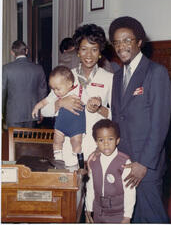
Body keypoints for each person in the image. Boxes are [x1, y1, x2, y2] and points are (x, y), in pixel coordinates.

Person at [108, 16, 171, 223]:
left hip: (146, 164)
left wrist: (143, 163)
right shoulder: (117, 76)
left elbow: (160, 125)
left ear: (139, 42)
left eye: (127, 40)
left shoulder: (156, 72)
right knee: (130, 215)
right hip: (123, 160)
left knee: (152, 216)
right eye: (116, 42)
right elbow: (117, 118)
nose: (121, 46)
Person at [41, 24, 113, 167]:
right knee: (73, 189)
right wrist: (60, 103)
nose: (89, 55)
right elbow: (44, 110)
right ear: (78, 51)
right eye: (84, 49)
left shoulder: (109, 78)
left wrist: (99, 108)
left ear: (100, 52)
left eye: (94, 50)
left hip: (97, 148)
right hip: (69, 149)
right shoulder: (66, 76)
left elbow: (114, 115)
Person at [32, 66, 86, 168]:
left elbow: (89, 101)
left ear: (69, 84)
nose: (56, 91)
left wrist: (93, 103)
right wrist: (36, 107)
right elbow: (45, 101)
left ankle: (76, 161)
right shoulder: (56, 93)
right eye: (53, 89)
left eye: (58, 89)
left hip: (76, 124)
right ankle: (58, 159)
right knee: (57, 140)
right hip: (61, 123)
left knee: (76, 142)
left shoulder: (80, 90)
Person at [85, 119, 136, 223]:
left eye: (110, 139)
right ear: (96, 142)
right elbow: (90, 188)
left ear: (117, 140)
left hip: (118, 214)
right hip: (98, 212)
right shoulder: (93, 161)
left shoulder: (125, 162)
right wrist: (88, 211)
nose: (106, 144)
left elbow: (130, 192)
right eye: (101, 140)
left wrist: (127, 216)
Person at [2, 40, 47, 128]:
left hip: (13, 115)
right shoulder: (38, 68)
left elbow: (2, 92)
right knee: (29, 141)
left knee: (13, 141)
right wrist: (41, 111)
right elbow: (43, 92)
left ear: (12, 52)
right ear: (26, 51)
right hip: (32, 113)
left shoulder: (6, 69)